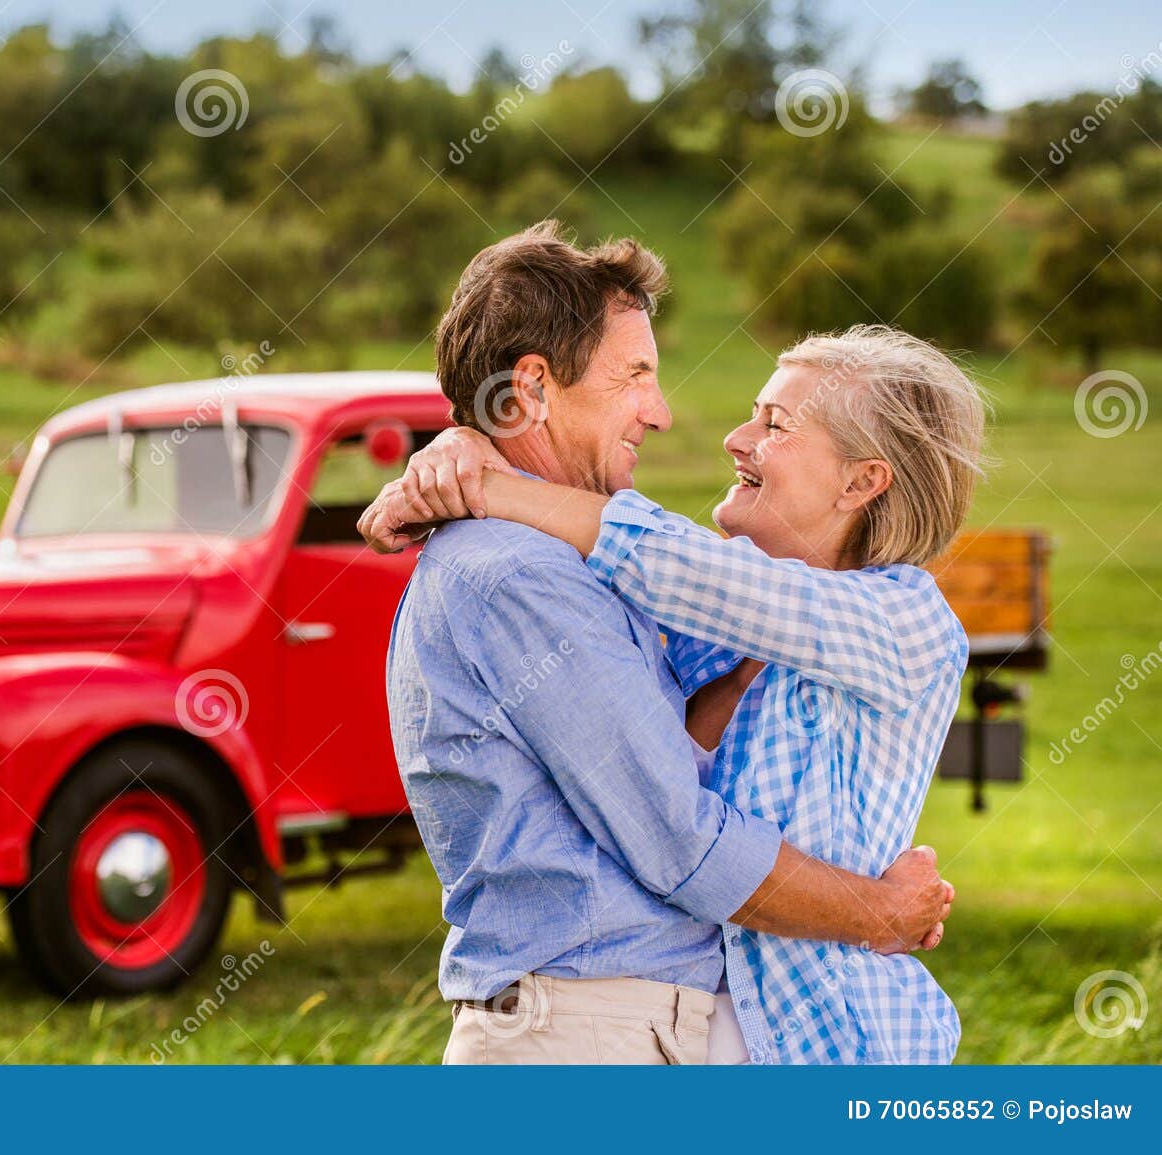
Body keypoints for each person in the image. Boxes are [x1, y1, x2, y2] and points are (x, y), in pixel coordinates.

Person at [369, 221, 953, 1065]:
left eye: (776, 425)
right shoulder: (526, 577)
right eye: (636, 373)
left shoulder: (740, 604)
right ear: (531, 387)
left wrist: (475, 461)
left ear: (866, 482)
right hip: (584, 1037)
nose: (666, 411)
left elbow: (680, 568)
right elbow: (683, 840)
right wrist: (884, 913)